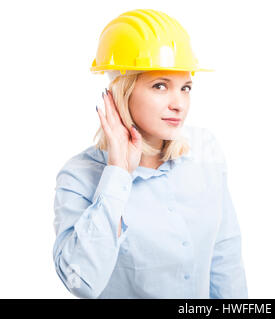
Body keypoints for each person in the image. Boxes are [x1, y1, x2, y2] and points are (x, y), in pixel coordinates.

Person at [52, 9, 248, 299]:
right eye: (160, 86)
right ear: (122, 91)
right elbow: (82, 281)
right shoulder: (79, 177)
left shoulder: (205, 151)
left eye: (186, 88)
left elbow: (225, 257)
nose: (178, 104)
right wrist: (118, 172)